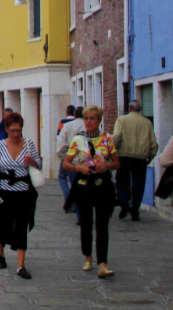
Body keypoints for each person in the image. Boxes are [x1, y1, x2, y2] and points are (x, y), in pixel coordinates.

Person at [63, 105, 120, 279]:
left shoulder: (107, 139)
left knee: (102, 224)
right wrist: (79, 168)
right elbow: (66, 163)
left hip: (102, 185)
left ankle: (103, 263)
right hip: (84, 185)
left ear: (99, 120)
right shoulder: (78, 140)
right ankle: (87, 257)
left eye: (92, 118)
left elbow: (116, 163)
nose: (88, 122)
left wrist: (107, 165)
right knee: (86, 223)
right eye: (86, 118)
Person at [0, 112, 41, 280]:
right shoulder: (0, 145)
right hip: (4, 190)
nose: (16, 134)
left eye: (19, 130)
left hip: (23, 191)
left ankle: (21, 266)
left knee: (22, 225)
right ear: (7, 129)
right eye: (13, 130)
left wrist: (32, 161)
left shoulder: (28, 144)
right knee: (3, 224)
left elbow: (39, 164)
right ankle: (0, 253)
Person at [113, 100, 159, 221]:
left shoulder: (121, 120)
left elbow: (117, 137)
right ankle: (135, 210)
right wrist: (151, 156)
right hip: (141, 158)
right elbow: (153, 143)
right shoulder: (147, 122)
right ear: (140, 110)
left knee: (121, 180)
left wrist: (114, 150)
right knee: (139, 184)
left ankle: (124, 201)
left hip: (124, 156)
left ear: (130, 108)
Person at [56, 106, 85, 221]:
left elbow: (61, 145)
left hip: (72, 162)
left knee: (75, 187)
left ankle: (80, 215)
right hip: (87, 161)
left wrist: (64, 159)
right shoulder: (90, 126)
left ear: (75, 115)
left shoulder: (67, 126)